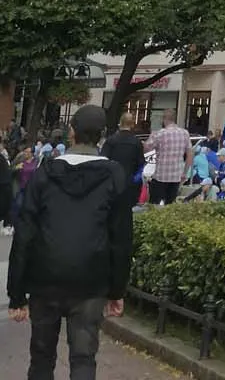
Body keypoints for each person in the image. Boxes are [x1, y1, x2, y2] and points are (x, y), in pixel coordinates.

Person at [7, 104, 133, 380]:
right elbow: (121, 237)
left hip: (45, 277)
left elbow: (25, 231)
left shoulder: (46, 172)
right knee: (84, 357)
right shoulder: (114, 175)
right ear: (101, 136)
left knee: (41, 358)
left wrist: (16, 293)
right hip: (91, 279)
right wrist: (116, 289)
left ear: (72, 132)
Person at [144, 111, 192, 205]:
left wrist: (149, 139)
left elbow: (147, 149)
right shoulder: (185, 133)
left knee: (155, 205)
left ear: (164, 119)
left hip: (160, 176)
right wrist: (184, 173)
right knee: (170, 205)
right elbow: (190, 154)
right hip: (176, 176)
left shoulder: (160, 133)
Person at [100, 115, 145, 198]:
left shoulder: (111, 140)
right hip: (129, 184)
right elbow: (141, 164)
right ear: (132, 124)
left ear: (120, 123)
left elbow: (103, 161)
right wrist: (135, 180)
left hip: (112, 183)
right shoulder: (136, 142)